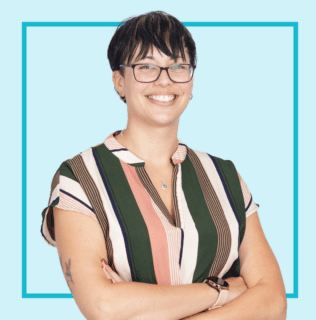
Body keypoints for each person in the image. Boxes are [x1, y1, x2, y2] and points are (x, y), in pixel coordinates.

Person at [41, 11, 287, 320]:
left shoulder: (225, 177)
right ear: (119, 81)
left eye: (178, 66)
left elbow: (274, 302)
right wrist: (223, 291)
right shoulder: (79, 178)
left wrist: (142, 308)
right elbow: (103, 307)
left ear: (191, 81)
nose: (165, 80)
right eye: (146, 66)